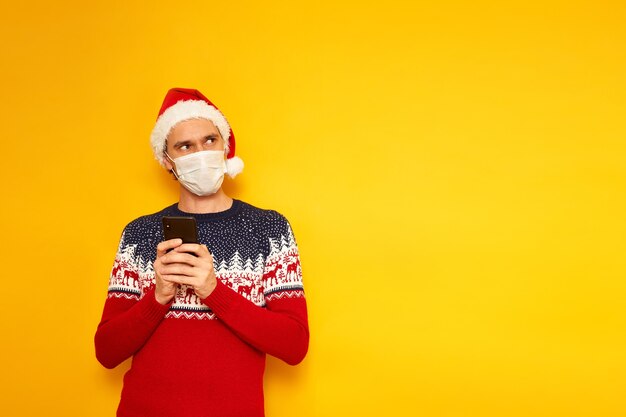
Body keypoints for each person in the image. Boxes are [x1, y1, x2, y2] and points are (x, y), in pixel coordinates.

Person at [94, 88, 309, 417]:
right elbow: (107, 352)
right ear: (168, 160)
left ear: (225, 146)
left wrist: (213, 290)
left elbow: (294, 346)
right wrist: (158, 296)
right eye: (185, 146)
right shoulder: (138, 234)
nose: (201, 152)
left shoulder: (269, 229)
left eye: (210, 140)